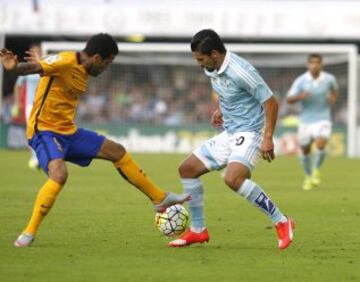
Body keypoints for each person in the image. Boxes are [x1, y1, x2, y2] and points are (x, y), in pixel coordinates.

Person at [0, 33, 190, 248]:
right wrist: (13, 68)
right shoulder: (64, 61)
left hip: (69, 132)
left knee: (117, 151)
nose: (107, 68)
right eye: (107, 63)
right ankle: (29, 232)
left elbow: (43, 67)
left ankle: (159, 198)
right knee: (59, 174)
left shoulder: (84, 68)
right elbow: (33, 69)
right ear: (97, 58)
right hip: (44, 131)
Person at [168, 29, 295, 250]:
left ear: (214, 54)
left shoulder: (241, 71)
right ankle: (198, 231)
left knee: (233, 178)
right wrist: (221, 109)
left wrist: (267, 138)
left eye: (201, 59)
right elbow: (229, 91)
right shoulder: (213, 67)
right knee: (187, 169)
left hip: (251, 132)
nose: (199, 64)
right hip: (231, 132)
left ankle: (282, 221)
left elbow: (271, 102)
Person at [286, 54, 338, 190]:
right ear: (308, 65)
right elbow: (289, 99)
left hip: (323, 118)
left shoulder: (329, 79)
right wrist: (300, 96)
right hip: (305, 120)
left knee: (321, 144)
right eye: (312, 63)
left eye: (317, 63)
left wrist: (332, 99)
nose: (314, 65)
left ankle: (316, 171)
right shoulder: (301, 80)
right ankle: (308, 176)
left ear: (321, 64)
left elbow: (335, 90)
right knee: (305, 149)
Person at [12, 43, 42, 169]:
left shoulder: (45, 67)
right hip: (30, 105)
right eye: (33, 52)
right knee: (31, 131)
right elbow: (18, 86)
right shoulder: (27, 69)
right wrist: (17, 103)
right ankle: (34, 158)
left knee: (42, 131)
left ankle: (42, 157)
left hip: (43, 105)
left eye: (37, 52)